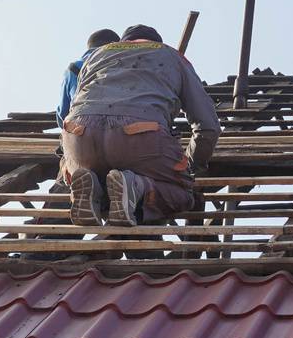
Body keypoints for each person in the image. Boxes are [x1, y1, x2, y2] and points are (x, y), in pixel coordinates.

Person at [63, 24, 218, 227]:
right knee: (182, 193)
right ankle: (137, 187)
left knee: (100, 186)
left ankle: (94, 188)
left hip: (78, 134)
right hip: (139, 134)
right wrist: (191, 166)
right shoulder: (172, 56)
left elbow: (75, 103)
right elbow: (207, 127)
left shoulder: (96, 55)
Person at [57, 28, 121, 127]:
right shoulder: (123, 65)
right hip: (117, 126)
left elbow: (63, 113)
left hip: (81, 125)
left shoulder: (74, 68)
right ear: (116, 46)